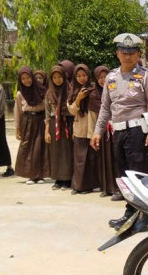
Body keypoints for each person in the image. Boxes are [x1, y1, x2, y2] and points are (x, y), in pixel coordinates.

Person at [90, 33, 148, 231]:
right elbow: (105, 107)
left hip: (138, 131)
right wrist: (98, 131)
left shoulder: (147, 76)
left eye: (132, 52)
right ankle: (130, 213)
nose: (128, 56)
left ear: (138, 54)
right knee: (123, 176)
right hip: (118, 132)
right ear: (117, 53)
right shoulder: (111, 77)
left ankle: (141, 217)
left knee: (136, 175)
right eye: (124, 52)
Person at [14, 67, 49, 184]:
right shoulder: (20, 94)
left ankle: (40, 175)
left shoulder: (43, 91)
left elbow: (48, 108)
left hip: (41, 120)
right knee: (27, 147)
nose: (26, 80)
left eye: (28, 77)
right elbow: (17, 112)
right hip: (27, 121)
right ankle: (30, 175)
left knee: (40, 147)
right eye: (23, 79)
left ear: (32, 77)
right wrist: (17, 129)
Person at [68, 63, 99, 194]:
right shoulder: (73, 91)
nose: (82, 78)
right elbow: (71, 110)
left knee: (91, 160)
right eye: (79, 76)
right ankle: (78, 186)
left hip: (92, 128)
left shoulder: (93, 90)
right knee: (79, 160)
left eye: (84, 75)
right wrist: (79, 99)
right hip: (79, 129)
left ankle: (89, 186)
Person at [45, 65, 73, 190]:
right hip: (54, 124)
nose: (57, 80)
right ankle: (58, 179)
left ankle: (67, 179)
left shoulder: (69, 90)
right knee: (55, 152)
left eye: (59, 77)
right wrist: (46, 131)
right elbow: (47, 113)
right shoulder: (49, 93)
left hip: (67, 122)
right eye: (54, 77)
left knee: (67, 152)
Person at [91, 65, 117, 197]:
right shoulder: (94, 94)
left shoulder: (116, 90)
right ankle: (106, 187)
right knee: (105, 159)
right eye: (100, 77)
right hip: (102, 130)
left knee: (115, 159)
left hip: (116, 129)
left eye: (105, 77)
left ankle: (117, 189)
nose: (103, 80)